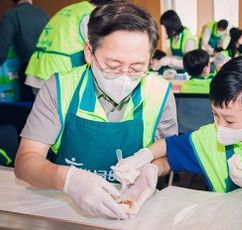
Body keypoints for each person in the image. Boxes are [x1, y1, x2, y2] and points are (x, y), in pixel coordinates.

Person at [14, 2, 178, 219]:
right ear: (89, 53)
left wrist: (152, 170)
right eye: (113, 66)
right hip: (66, 207)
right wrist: (67, 179)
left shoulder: (160, 92)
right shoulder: (61, 88)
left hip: (131, 211)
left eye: (137, 68)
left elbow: (168, 154)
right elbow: (26, 162)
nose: (125, 76)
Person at [114, 56, 242, 209]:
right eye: (215, 115)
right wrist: (146, 162)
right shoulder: (207, 138)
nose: (219, 126)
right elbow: (169, 148)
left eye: (229, 120)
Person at [25, 0, 113, 94]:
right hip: (59, 73)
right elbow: (99, 50)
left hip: (38, 69)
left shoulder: (72, 9)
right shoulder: (93, 15)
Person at [0, 0, 49, 101]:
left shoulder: (11, 15)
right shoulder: (43, 14)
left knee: (25, 110)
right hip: (47, 69)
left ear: (13, 2)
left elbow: (2, 48)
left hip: (27, 72)